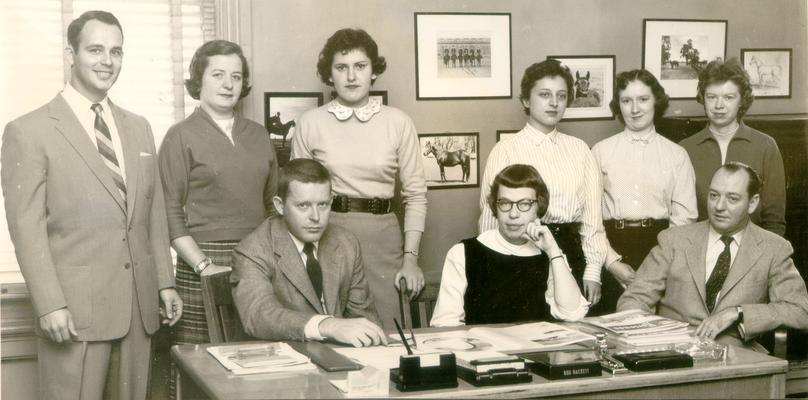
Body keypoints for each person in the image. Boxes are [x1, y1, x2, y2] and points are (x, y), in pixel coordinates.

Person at [1, 10, 182, 399]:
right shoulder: (29, 131)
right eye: (96, 50)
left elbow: (151, 214)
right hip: (73, 314)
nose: (107, 61)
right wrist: (50, 305)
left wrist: (164, 282)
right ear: (71, 54)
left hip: (139, 309)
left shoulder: (139, 127)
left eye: (116, 51)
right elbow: (26, 229)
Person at [158, 40, 278, 398]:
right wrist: (203, 265)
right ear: (200, 80)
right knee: (201, 370)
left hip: (257, 262)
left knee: (257, 366)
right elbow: (168, 211)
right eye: (218, 75)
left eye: (236, 76)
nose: (228, 84)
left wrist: (269, 260)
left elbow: (274, 208)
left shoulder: (259, 135)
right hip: (201, 265)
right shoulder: (180, 136)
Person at [291, 28, 427, 329]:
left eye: (360, 66)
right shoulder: (310, 123)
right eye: (341, 67)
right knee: (333, 332)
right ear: (329, 74)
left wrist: (410, 259)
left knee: (390, 334)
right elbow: (298, 198)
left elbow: (416, 196)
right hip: (328, 236)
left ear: (373, 71)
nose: (351, 76)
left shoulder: (398, 122)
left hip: (384, 239)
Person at [617, 163, 808, 348]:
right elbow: (633, 299)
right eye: (714, 196)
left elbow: (800, 311)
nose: (719, 206)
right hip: (672, 352)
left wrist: (737, 313)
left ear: (752, 203)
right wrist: (651, 339)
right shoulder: (673, 240)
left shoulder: (773, 248)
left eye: (732, 199)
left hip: (737, 361)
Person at [479, 59, 608, 312]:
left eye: (561, 95)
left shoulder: (580, 149)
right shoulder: (506, 149)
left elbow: (593, 218)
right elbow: (489, 217)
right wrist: (494, 265)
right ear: (526, 100)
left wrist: (593, 270)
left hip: (570, 254)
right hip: (520, 251)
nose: (554, 103)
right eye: (544, 95)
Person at [231, 159, 386, 347]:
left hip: (340, 363)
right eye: (303, 206)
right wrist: (327, 325)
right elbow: (259, 315)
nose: (315, 217)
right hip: (283, 364)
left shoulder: (346, 244)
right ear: (280, 206)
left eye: (322, 205)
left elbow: (364, 319)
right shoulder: (253, 249)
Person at [591, 69, 697, 313]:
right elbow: (591, 217)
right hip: (612, 248)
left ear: (656, 102)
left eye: (643, 99)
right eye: (626, 101)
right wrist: (611, 262)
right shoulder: (600, 151)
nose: (635, 109)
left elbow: (685, 219)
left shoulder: (676, 155)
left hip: (660, 251)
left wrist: (657, 268)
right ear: (619, 106)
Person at [432, 165, 589, 326]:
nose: (513, 214)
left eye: (525, 204)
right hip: (486, 349)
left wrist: (553, 251)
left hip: (537, 349)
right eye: (505, 203)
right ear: (495, 206)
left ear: (538, 207)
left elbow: (572, 313)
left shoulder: (549, 253)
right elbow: (445, 323)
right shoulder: (462, 252)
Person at [679, 58, 786, 236]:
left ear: (741, 100)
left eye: (729, 97)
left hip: (752, 249)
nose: (719, 105)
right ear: (703, 99)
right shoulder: (685, 148)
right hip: (700, 248)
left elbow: (775, 220)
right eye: (712, 97)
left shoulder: (766, 146)